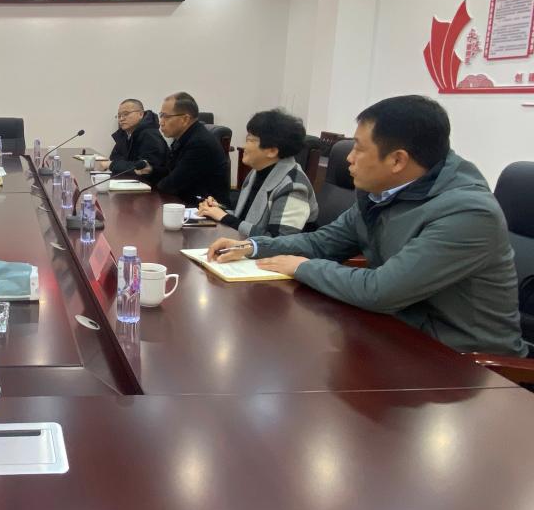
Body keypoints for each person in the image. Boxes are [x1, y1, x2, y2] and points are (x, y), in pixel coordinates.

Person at [207, 95, 526, 357]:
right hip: (395, 333)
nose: (349, 158)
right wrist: (254, 246)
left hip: (463, 363)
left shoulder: (468, 214)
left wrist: (302, 267)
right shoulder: (380, 193)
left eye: (359, 148)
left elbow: (382, 290)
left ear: (398, 160)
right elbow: (322, 243)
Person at [198, 109, 317, 237]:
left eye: (250, 140)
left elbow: (279, 240)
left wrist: (224, 217)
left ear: (272, 151)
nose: (244, 146)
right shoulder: (257, 171)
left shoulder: (293, 186)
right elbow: (245, 218)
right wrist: (217, 209)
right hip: (247, 244)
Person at [134, 92, 229, 203]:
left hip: (206, 209)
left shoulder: (200, 143)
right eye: (161, 116)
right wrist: (151, 170)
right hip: (186, 201)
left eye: (165, 116)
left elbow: (172, 184)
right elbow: (171, 172)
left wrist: (148, 191)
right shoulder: (184, 137)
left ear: (185, 119)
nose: (161, 122)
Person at [97, 98, 168, 176]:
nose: (121, 119)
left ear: (141, 114)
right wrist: (115, 164)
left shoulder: (150, 135)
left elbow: (144, 169)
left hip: (149, 182)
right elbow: (114, 158)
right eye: (119, 116)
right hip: (128, 180)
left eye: (126, 114)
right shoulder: (125, 134)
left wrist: (112, 165)